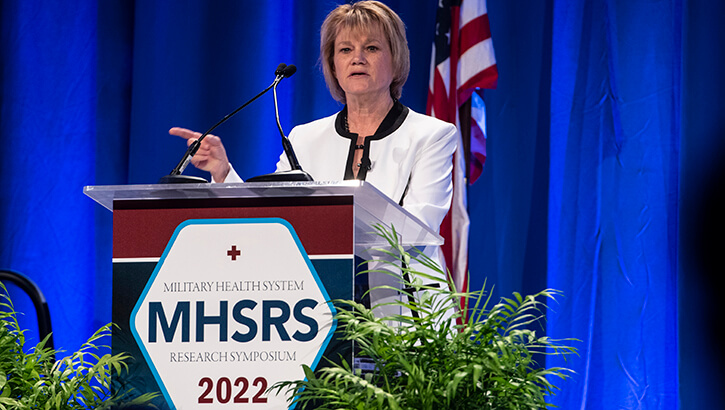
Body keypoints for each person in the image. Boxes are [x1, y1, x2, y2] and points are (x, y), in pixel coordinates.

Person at [170, 1, 459, 314]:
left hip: (407, 316)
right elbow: (273, 217)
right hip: (317, 313)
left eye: (372, 48)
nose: (357, 58)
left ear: (396, 59)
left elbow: (419, 225)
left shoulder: (431, 135)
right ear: (333, 65)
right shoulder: (305, 139)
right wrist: (224, 172)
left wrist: (327, 223)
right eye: (345, 50)